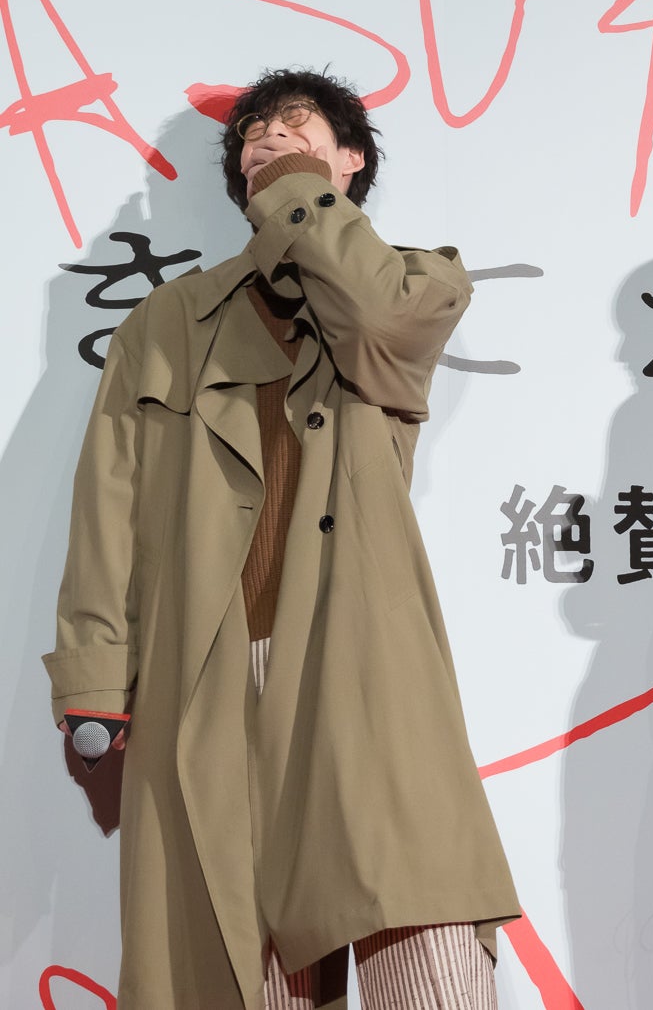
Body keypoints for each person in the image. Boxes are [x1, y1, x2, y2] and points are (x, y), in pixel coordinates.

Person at [42, 68, 520, 1009]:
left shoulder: (418, 283)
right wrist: (95, 673)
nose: (266, 138)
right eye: (252, 133)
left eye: (295, 128)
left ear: (351, 161)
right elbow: (109, 506)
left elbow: (379, 317)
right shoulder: (168, 320)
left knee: (426, 947)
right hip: (209, 675)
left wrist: (296, 190)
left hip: (360, 665)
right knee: (245, 961)